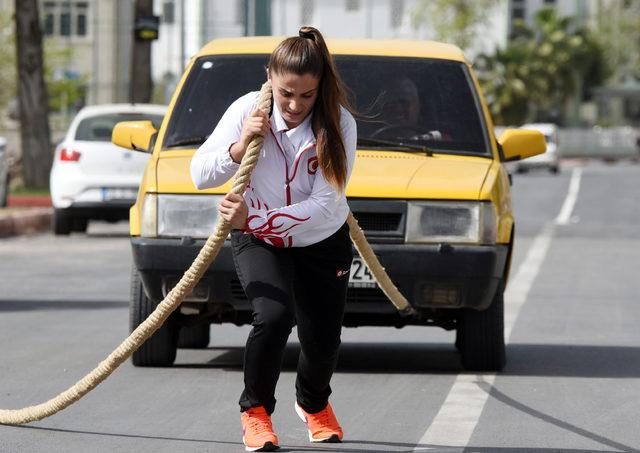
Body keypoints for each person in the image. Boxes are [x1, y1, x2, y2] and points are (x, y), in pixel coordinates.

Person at [190, 26, 357, 452]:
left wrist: (257, 216)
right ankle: (256, 412)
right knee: (274, 315)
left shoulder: (340, 124)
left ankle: (313, 404)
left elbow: (324, 205)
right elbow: (198, 174)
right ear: (269, 77)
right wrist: (240, 144)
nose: (295, 104)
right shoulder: (247, 109)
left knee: (323, 339)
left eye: (307, 95)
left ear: (321, 88)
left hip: (320, 239)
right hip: (257, 239)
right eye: (286, 93)